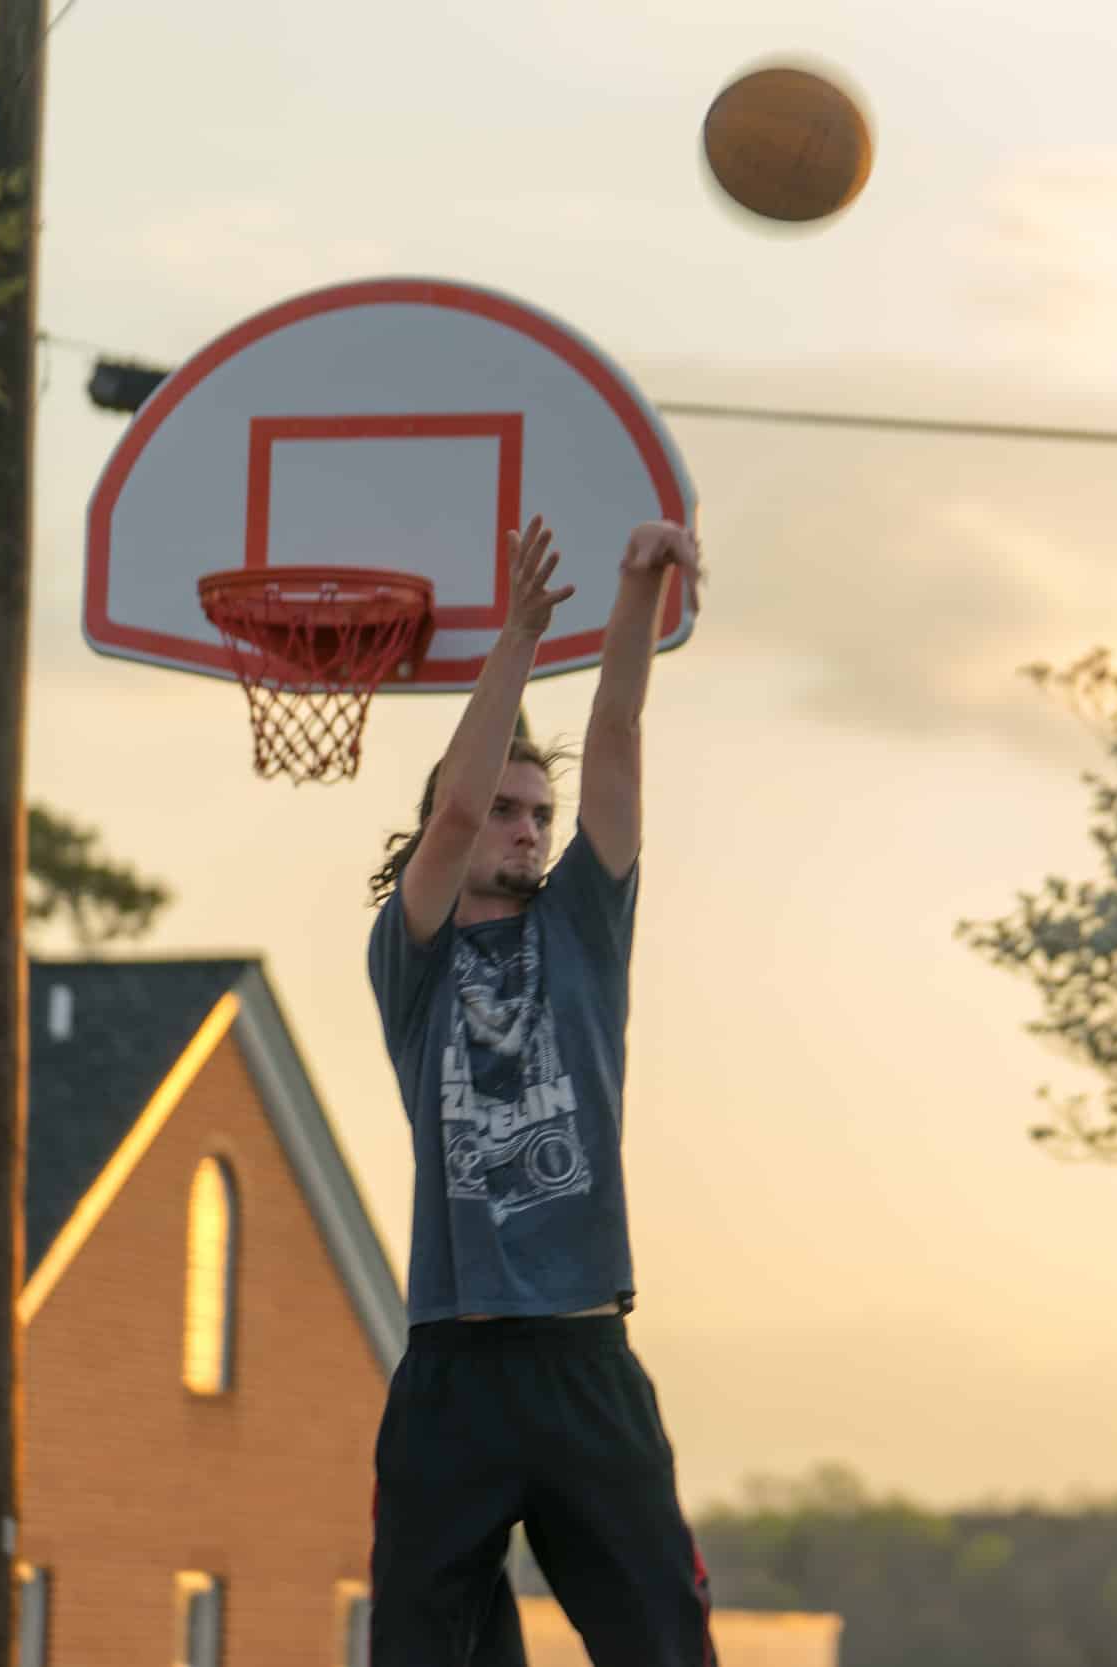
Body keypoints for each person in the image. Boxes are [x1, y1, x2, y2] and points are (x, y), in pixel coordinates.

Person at [363, 513, 714, 1667]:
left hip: (580, 1358)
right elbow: (453, 809)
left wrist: (634, 590)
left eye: (538, 814)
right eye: (508, 811)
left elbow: (614, 729)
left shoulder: (581, 929)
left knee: (665, 1642)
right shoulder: (411, 957)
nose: (523, 828)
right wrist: (515, 635)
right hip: (453, 1370)